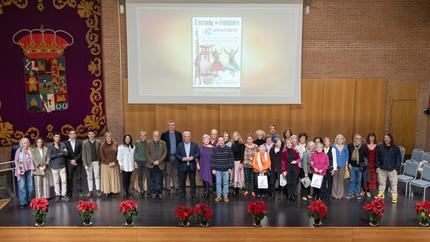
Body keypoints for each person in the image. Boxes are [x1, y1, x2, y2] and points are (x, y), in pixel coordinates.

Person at [375, 133, 401, 204]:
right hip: (382, 169)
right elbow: (377, 156)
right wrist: (378, 165)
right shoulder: (380, 147)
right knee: (381, 183)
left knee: (394, 184)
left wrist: (396, 168)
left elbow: (398, 158)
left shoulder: (395, 148)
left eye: (387, 138)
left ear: (391, 139)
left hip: (392, 169)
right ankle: (381, 194)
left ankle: (394, 196)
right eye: (384, 138)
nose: (385, 139)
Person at [175, 131, 200, 200]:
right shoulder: (180, 145)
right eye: (185, 136)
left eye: (188, 136)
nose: (186, 138)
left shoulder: (194, 145)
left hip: (192, 166)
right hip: (182, 166)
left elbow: (198, 153)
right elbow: (176, 154)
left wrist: (193, 157)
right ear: (183, 137)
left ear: (190, 137)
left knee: (193, 182)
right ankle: (183, 195)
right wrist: (182, 158)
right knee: (182, 182)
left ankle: (193, 195)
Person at [161, 120, 183, 195]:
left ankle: (177, 188)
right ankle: (168, 188)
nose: (171, 126)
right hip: (168, 157)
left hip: (177, 157)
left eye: (173, 125)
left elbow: (181, 146)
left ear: (174, 126)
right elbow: (162, 147)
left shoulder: (179, 134)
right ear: (168, 126)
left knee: (176, 173)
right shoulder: (164, 135)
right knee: (167, 173)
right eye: (170, 125)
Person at [211, 136, 234, 202]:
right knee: (218, 183)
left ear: (224, 141)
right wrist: (213, 169)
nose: (221, 142)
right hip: (217, 169)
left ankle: (225, 196)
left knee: (226, 183)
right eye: (219, 140)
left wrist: (230, 168)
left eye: (222, 140)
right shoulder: (215, 149)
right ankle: (219, 196)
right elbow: (213, 159)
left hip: (226, 169)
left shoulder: (228, 149)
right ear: (218, 141)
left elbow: (231, 159)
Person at [48, 133, 69, 202]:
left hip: (62, 166)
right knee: (56, 182)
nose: (57, 138)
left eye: (58, 137)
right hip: (54, 166)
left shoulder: (62, 144)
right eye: (56, 137)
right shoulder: (50, 146)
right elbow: (51, 156)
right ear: (53, 138)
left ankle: (64, 194)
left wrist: (59, 152)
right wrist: (60, 153)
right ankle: (57, 194)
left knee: (64, 181)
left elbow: (66, 153)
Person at [14, 138, 35, 208]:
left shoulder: (30, 150)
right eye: (24, 143)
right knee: (22, 187)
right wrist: (18, 169)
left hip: (29, 170)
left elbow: (33, 159)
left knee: (30, 187)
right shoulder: (19, 151)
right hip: (21, 170)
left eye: (27, 142)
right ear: (22, 144)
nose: (26, 144)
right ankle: (23, 202)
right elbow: (15, 161)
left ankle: (29, 200)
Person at [146, 130, 167, 199]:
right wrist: (153, 161)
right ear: (153, 136)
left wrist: (159, 161)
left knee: (160, 179)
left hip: (160, 164)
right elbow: (147, 154)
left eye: (157, 136)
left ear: (159, 136)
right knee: (152, 179)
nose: (156, 137)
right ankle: (154, 192)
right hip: (151, 164)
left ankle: (160, 192)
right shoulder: (149, 143)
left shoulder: (163, 143)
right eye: (155, 135)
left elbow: (165, 153)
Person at [346, 134, 368, 200]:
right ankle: (350, 193)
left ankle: (357, 193)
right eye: (357, 138)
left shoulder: (364, 147)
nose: (358, 140)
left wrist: (363, 165)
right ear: (354, 139)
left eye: (360, 139)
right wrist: (348, 163)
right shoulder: (350, 146)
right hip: (352, 166)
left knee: (358, 181)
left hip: (360, 167)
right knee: (352, 180)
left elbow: (366, 157)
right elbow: (348, 155)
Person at [100, 132, 121, 198]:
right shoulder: (102, 145)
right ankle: (107, 191)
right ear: (105, 138)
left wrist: (114, 162)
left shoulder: (115, 144)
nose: (109, 138)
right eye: (107, 137)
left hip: (114, 164)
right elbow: (101, 155)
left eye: (110, 136)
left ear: (112, 137)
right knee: (107, 179)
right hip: (106, 165)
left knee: (113, 178)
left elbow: (118, 154)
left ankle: (114, 191)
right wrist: (108, 163)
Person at [82, 130, 102, 198]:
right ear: (88, 135)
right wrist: (85, 164)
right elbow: (83, 154)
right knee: (89, 177)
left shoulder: (98, 142)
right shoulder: (84, 143)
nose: (91, 135)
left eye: (92, 134)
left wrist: (101, 162)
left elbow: (100, 152)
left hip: (96, 161)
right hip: (88, 162)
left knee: (97, 176)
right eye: (89, 134)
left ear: (94, 134)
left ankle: (98, 190)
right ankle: (90, 191)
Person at [64, 129, 83, 199]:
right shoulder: (65, 143)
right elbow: (65, 154)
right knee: (69, 178)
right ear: (69, 135)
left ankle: (80, 191)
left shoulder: (79, 142)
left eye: (74, 133)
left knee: (79, 177)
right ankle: (70, 192)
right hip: (69, 163)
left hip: (78, 162)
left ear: (75, 134)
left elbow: (81, 152)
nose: (73, 135)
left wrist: (75, 160)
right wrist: (71, 161)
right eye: (71, 133)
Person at [117, 134, 136, 199]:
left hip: (130, 166)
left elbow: (133, 156)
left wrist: (134, 164)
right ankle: (125, 191)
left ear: (130, 139)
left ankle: (128, 191)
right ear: (124, 140)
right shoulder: (121, 147)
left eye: (128, 139)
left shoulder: (133, 147)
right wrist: (121, 165)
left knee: (128, 179)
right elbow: (119, 157)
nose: (127, 140)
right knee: (124, 179)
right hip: (124, 166)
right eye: (126, 139)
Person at [332, 134, 349, 199]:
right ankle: (334, 194)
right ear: (336, 140)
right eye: (338, 139)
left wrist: (346, 165)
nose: (339, 140)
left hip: (343, 165)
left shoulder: (345, 146)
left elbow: (347, 156)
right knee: (335, 179)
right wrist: (333, 166)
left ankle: (340, 194)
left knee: (341, 180)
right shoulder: (333, 146)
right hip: (335, 165)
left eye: (341, 139)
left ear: (343, 140)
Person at [198, 134, 214, 198]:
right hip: (202, 164)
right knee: (204, 178)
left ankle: (207, 192)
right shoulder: (200, 147)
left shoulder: (212, 148)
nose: (206, 140)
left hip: (209, 164)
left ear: (209, 140)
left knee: (207, 177)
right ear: (202, 140)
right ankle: (205, 191)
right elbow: (197, 157)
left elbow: (214, 157)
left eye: (208, 139)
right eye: (205, 139)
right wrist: (197, 164)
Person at [134, 131, 149, 197]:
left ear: (146, 136)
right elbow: (134, 152)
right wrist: (134, 161)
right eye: (142, 135)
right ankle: (142, 190)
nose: (143, 137)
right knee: (140, 177)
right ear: (140, 136)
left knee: (148, 176)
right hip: (138, 161)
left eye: (144, 135)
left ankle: (149, 190)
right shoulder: (137, 143)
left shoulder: (148, 143)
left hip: (146, 162)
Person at [231, 131, 245, 197]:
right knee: (234, 176)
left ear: (239, 136)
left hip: (239, 162)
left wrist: (241, 163)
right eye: (234, 136)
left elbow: (242, 155)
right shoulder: (232, 144)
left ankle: (236, 191)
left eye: (236, 136)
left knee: (238, 176)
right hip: (233, 162)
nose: (235, 137)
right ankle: (234, 189)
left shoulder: (242, 144)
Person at [364, 133, 378, 197]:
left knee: (371, 178)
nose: (371, 138)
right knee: (365, 177)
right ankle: (365, 190)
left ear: (374, 138)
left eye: (373, 137)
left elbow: (378, 156)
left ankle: (369, 191)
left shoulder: (377, 146)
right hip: (367, 164)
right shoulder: (365, 145)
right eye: (370, 137)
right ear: (368, 138)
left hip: (373, 164)